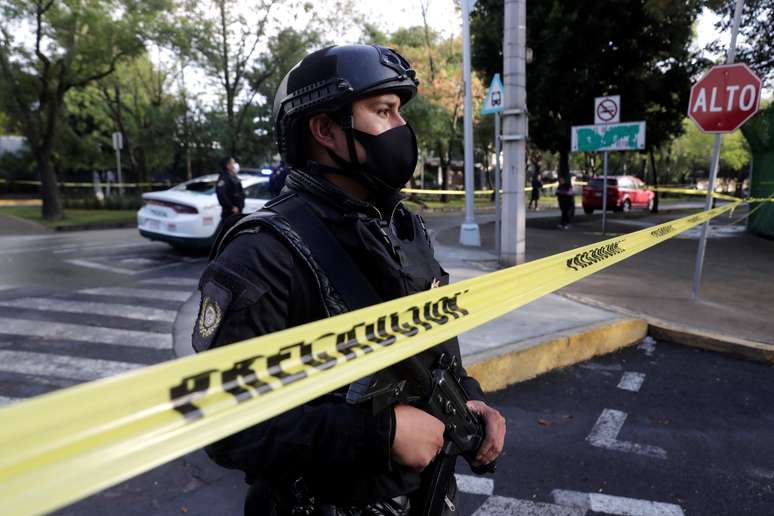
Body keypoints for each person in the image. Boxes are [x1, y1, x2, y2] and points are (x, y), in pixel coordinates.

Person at [193, 45, 506, 515]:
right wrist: (379, 436)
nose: (402, 128)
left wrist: (469, 399)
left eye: (400, 111)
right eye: (384, 111)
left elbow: (430, 350)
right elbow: (226, 426)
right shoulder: (264, 253)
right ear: (325, 131)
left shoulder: (400, 227)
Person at [215, 156, 245, 220]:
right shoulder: (224, 178)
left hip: (237, 212)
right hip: (230, 213)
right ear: (228, 166)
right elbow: (221, 195)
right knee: (227, 228)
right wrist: (231, 207)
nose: (235, 165)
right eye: (233, 163)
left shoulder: (233, 176)